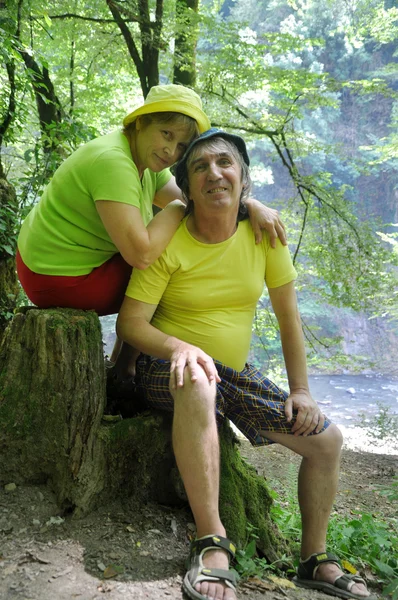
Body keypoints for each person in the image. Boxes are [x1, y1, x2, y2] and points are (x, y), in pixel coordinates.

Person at [116, 128, 374, 600]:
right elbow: (131, 324)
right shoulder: (168, 237)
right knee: (197, 378)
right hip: (168, 369)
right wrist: (180, 349)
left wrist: (301, 390)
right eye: (199, 167)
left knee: (327, 441)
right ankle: (212, 541)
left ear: (243, 177)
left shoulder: (264, 233)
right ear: (188, 189)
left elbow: (288, 318)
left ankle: (314, 558)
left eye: (225, 163)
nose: (214, 173)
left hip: (232, 376)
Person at [16, 84, 286, 375]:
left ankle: (125, 365)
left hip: (56, 263)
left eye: (182, 146)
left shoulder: (145, 163)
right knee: (166, 272)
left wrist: (249, 203)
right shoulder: (113, 162)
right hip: (56, 275)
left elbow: (197, 198)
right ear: (142, 122)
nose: (171, 151)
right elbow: (142, 254)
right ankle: (128, 370)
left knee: (166, 257)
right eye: (166, 134)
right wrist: (174, 210)